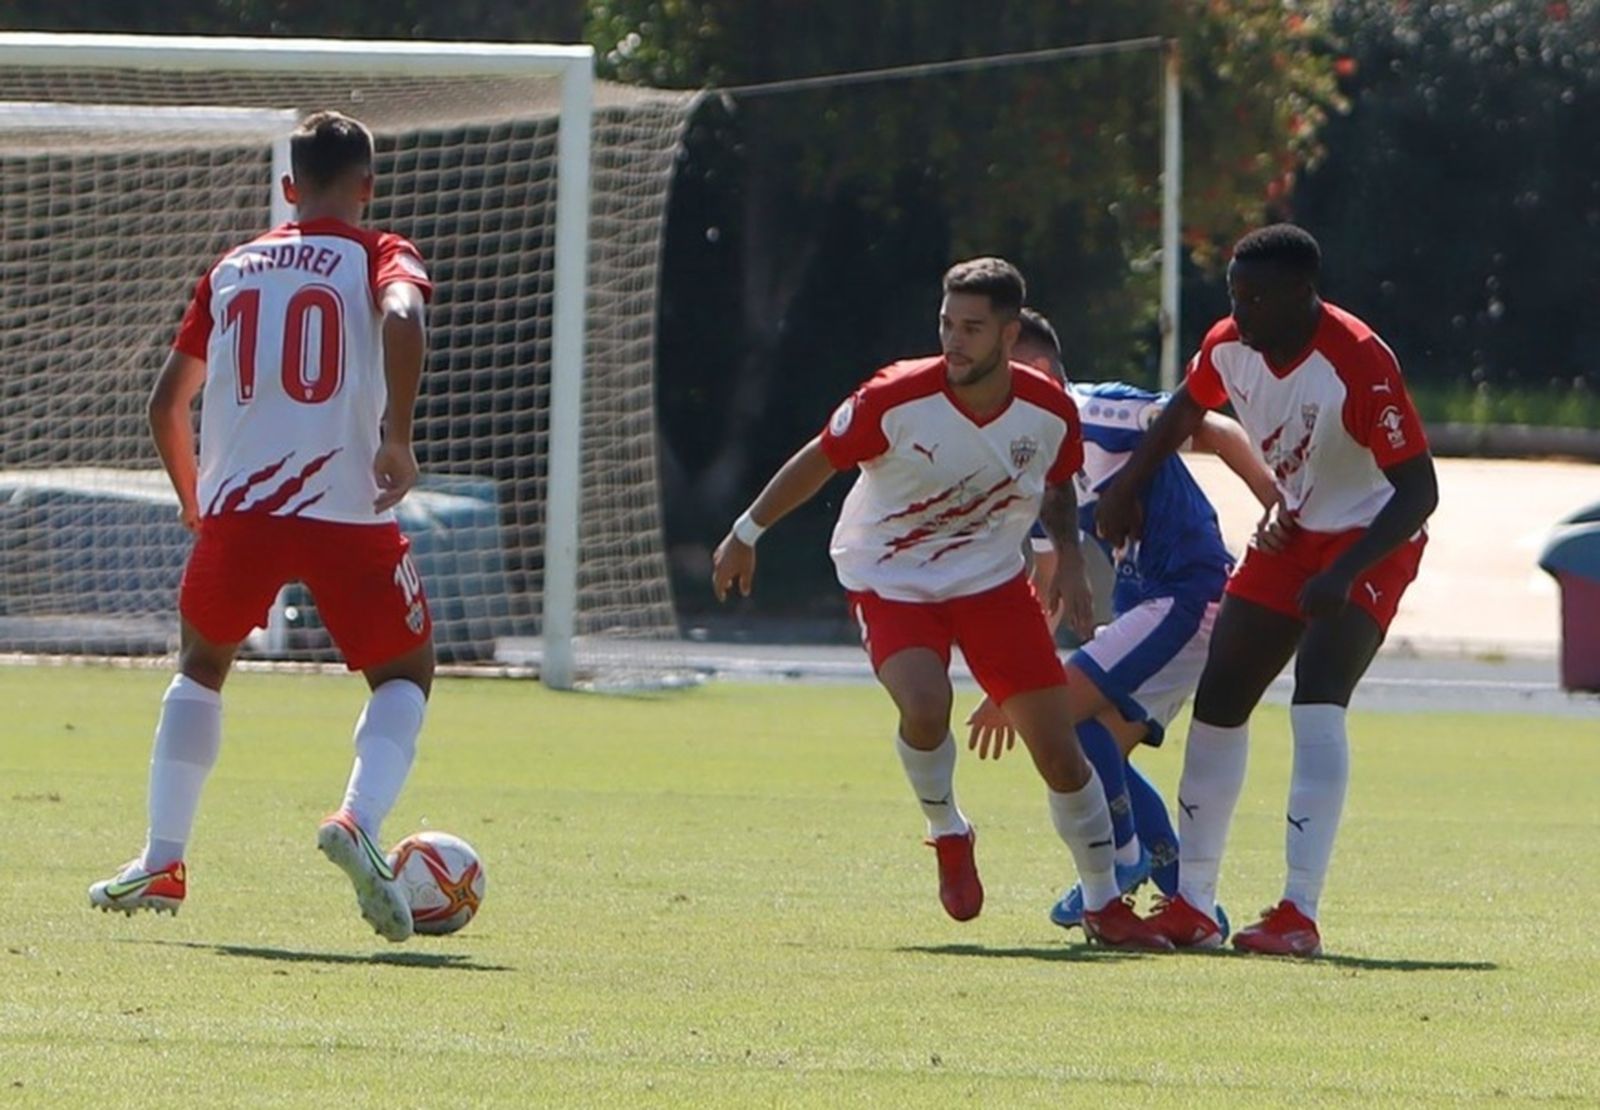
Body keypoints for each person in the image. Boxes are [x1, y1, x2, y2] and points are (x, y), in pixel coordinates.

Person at [711, 258, 1171, 949]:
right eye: (947, 324)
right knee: (925, 706)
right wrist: (746, 532)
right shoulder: (895, 395)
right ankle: (947, 830)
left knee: (1059, 751)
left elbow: (1055, 486)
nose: (954, 341)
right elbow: (822, 455)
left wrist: (1069, 561)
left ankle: (1104, 904)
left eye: (973, 328)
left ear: (1010, 335)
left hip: (989, 585)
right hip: (890, 580)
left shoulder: (1048, 411)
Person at [88, 111, 436, 943]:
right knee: (404, 675)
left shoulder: (234, 266)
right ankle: (356, 820)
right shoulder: (381, 250)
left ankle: (163, 859)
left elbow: (165, 403)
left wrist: (190, 498)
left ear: (288, 189)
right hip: (346, 510)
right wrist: (397, 436)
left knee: (202, 666)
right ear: (367, 187)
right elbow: (403, 316)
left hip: (240, 511)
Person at [1097, 224, 1438, 956]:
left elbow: (1419, 490)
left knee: (1317, 693)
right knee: (1222, 695)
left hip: (1372, 535)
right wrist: (1128, 486)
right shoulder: (1230, 344)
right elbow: (1185, 409)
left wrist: (1346, 573)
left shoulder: (1357, 361)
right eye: (1234, 294)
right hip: (1295, 532)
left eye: (1255, 297)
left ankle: (1298, 913)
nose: (1240, 310)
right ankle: (1192, 903)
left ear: (1302, 295)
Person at [965, 307, 1276, 933]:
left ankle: (1122, 859)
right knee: (1092, 739)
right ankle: (1191, 904)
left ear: (1039, 370)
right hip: (1151, 609)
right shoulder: (1034, 459)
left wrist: (1276, 507)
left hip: (1188, 596)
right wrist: (1011, 672)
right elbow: (1046, 578)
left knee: (1058, 717)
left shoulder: (1097, 411)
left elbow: (1213, 427)